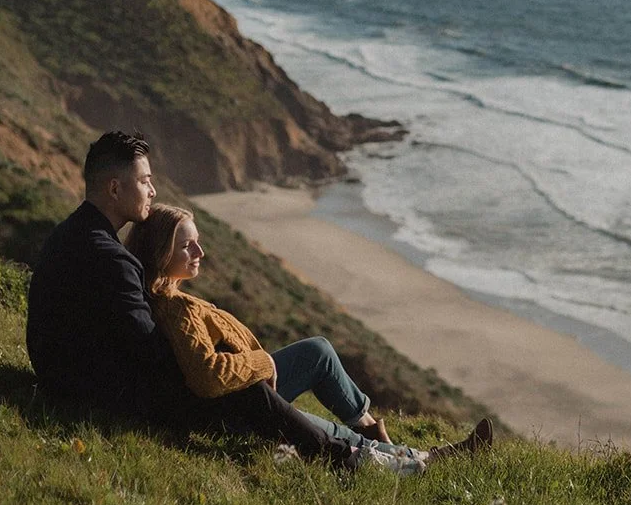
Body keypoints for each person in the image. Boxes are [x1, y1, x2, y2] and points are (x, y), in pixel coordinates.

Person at [26, 131, 396, 472]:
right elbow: (154, 356)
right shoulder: (111, 259)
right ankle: (362, 457)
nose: (152, 191)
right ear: (114, 187)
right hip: (109, 398)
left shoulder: (68, 235)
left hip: (69, 383)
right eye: (144, 181)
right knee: (255, 390)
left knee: (266, 395)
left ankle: (376, 453)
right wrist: (229, 362)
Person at [125, 202, 493, 467]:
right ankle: (429, 460)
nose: (200, 251)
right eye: (187, 245)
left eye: (198, 241)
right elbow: (207, 375)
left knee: (319, 358)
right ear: (161, 252)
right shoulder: (177, 309)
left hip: (240, 397)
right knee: (331, 424)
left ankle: (393, 442)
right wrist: (263, 362)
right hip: (237, 407)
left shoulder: (167, 298)